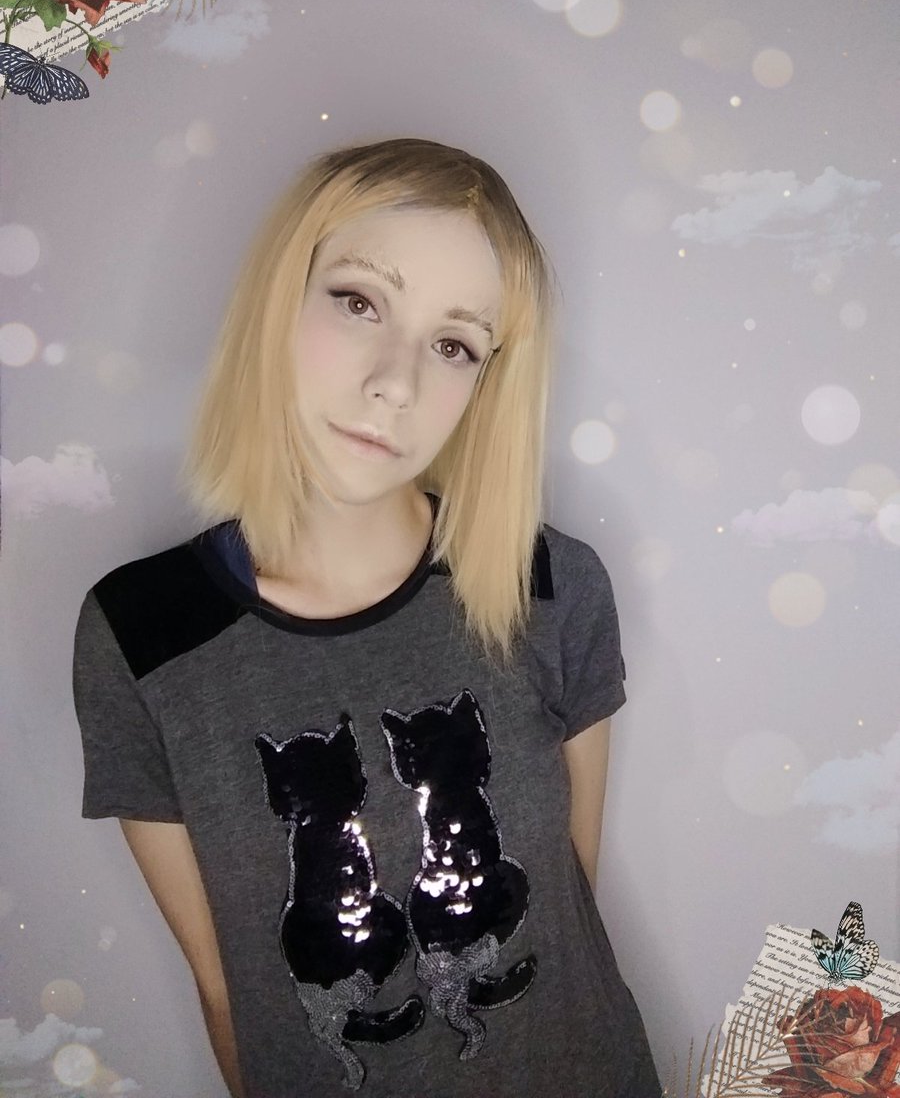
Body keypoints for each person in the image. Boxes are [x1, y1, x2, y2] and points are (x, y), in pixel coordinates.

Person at [71, 137, 662, 1098]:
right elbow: (229, 990)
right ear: (281, 296)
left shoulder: (550, 586)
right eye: (358, 301)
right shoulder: (143, 633)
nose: (396, 382)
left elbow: (565, 913)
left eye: (454, 344)